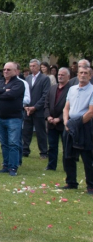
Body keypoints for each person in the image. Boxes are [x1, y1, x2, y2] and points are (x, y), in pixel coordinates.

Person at [61, 65, 93, 194]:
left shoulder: (92, 90)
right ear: (77, 75)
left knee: (87, 156)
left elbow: (91, 112)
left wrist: (76, 124)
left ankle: (91, 185)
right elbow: (66, 108)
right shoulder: (72, 89)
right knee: (67, 155)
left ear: (90, 76)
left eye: (86, 73)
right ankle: (71, 182)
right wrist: (66, 122)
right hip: (70, 124)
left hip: (84, 126)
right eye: (81, 73)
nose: (83, 75)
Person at [0, 62, 25, 176]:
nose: (5, 71)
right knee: (4, 143)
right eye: (4, 69)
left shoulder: (19, 84)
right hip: (0, 117)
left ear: (15, 71)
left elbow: (12, 95)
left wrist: (0, 93)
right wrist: (5, 90)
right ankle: (6, 165)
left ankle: (13, 167)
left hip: (13, 118)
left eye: (9, 70)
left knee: (13, 143)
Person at [44, 67, 71, 171]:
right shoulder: (52, 88)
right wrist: (48, 116)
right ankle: (51, 166)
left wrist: (59, 119)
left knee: (66, 147)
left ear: (68, 76)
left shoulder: (71, 89)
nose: (60, 76)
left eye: (62, 75)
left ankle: (67, 166)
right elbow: (46, 103)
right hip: (51, 123)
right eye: (59, 74)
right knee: (52, 146)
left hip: (64, 123)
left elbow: (70, 107)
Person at [22, 59, 50, 159]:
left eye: (34, 66)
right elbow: (25, 93)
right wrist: (26, 106)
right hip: (28, 109)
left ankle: (43, 151)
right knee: (26, 130)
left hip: (38, 110)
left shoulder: (44, 79)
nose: (32, 68)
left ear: (38, 67)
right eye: (30, 66)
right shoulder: (28, 78)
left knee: (40, 131)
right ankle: (25, 149)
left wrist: (35, 107)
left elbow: (45, 95)